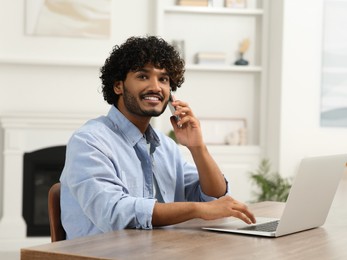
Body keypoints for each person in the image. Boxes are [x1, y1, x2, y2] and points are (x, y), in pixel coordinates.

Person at [60, 35, 256, 239]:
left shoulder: (166, 147)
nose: (155, 87)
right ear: (118, 86)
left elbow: (212, 199)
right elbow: (115, 214)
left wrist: (198, 147)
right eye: (143, 76)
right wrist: (197, 210)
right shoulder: (89, 141)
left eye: (163, 79)